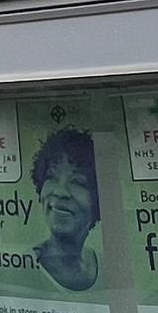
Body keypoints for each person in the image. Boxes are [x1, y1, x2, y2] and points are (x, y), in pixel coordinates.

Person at [28, 125, 101, 293]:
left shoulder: (111, 270)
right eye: (51, 177)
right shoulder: (12, 272)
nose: (60, 192)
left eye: (77, 182)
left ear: (98, 199)